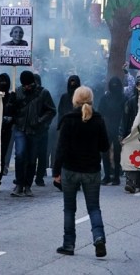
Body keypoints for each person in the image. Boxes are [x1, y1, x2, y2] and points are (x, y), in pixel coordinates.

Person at [53, 86, 109, 258]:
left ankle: (68, 244)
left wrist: (56, 172)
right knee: (94, 208)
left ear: (74, 100)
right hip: (91, 170)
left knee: (69, 209)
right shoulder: (98, 119)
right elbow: (105, 146)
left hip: (70, 169)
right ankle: (99, 237)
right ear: (91, 100)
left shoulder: (68, 120)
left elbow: (60, 148)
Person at [11, 70, 56, 197]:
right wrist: (11, 103)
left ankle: (27, 185)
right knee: (19, 155)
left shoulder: (43, 93)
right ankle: (19, 184)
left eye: (29, 84)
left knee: (31, 159)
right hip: (20, 128)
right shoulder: (18, 92)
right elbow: (13, 110)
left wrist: (40, 121)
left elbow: (51, 110)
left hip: (35, 130)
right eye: (24, 85)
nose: (26, 87)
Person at [98, 77, 124, 185]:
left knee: (117, 154)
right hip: (106, 128)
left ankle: (116, 176)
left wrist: (122, 129)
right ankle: (107, 175)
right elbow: (100, 113)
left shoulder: (124, 98)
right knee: (105, 153)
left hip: (118, 128)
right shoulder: (105, 98)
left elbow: (125, 115)